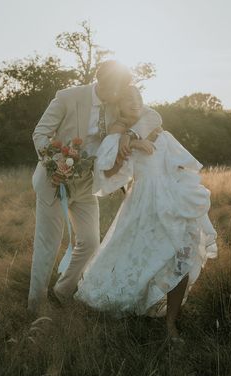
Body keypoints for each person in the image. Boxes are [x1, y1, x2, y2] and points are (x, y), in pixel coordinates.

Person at [74, 86, 218, 341]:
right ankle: (131, 308)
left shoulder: (154, 124)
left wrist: (132, 136)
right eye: (128, 99)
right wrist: (126, 147)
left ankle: (171, 323)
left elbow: (177, 155)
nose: (135, 102)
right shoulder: (115, 136)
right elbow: (106, 173)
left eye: (138, 97)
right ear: (118, 105)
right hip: (145, 202)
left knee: (182, 256)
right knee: (142, 258)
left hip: (174, 199)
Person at [28, 60, 157, 313]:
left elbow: (153, 116)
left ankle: (62, 293)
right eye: (114, 90)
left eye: (121, 90)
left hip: (87, 185)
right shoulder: (67, 97)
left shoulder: (118, 101)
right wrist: (55, 162)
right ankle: (35, 305)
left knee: (90, 242)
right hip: (54, 182)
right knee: (48, 245)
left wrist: (130, 135)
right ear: (100, 82)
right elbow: (40, 134)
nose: (117, 96)